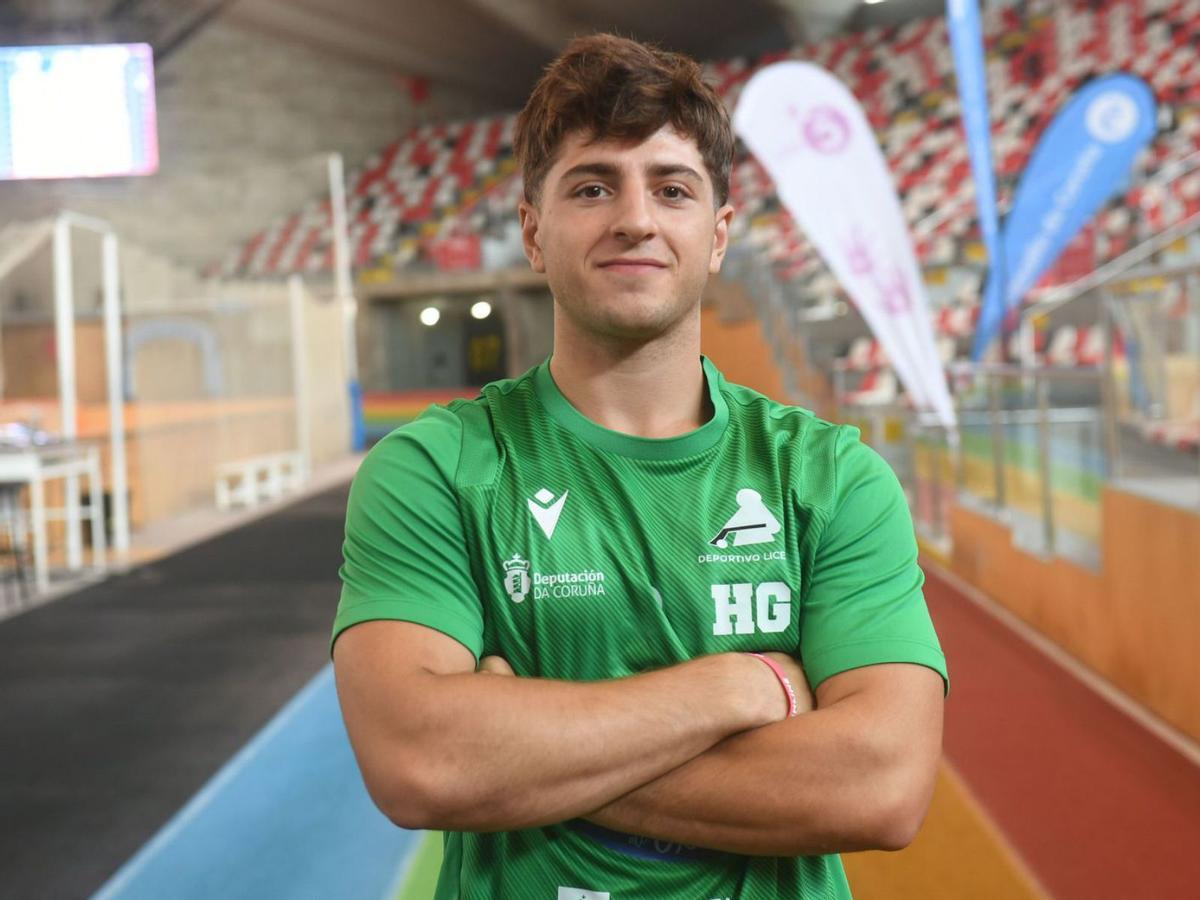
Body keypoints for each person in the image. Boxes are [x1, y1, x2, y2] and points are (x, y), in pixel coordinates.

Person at [332, 33, 947, 899]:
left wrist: (525, 751)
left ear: (719, 234)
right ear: (534, 232)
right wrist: (741, 687)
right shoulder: (436, 470)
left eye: (672, 188)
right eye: (593, 186)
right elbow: (423, 762)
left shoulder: (831, 477)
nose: (635, 218)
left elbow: (881, 788)